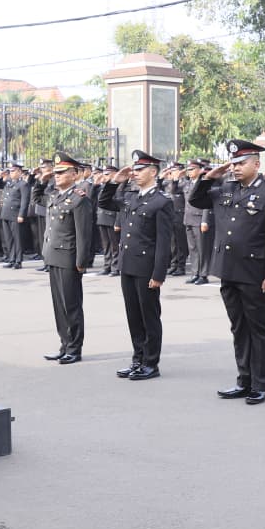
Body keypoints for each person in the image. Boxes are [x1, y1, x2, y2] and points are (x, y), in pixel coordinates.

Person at [189, 140, 265, 404]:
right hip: (228, 269)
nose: (235, 168)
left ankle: (261, 384)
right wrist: (209, 176)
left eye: (241, 163)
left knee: (259, 328)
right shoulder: (225, 188)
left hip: (255, 272)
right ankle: (244, 380)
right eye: (233, 163)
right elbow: (196, 199)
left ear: (257, 164)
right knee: (238, 328)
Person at [98, 150, 173, 380]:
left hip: (146, 267)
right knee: (133, 315)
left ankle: (151, 363)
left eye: (140, 170)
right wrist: (114, 181)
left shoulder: (161, 202)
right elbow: (104, 202)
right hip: (128, 264)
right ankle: (137, 358)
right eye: (135, 170)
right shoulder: (132, 197)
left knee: (149, 315)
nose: (135, 174)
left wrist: (159, 273)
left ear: (153, 171)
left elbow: (163, 241)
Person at [33, 152, 94, 364]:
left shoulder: (79, 199)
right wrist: (41, 180)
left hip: (69, 258)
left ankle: (74, 348)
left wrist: (81, 262)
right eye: (56, 173)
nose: (57, 176)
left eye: (62, 172)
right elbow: (37, 198)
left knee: (71, 305)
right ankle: (64, 344)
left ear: (75, 174)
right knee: (59, 305)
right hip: (53, 256)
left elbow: (84, 234)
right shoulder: (55, 196)